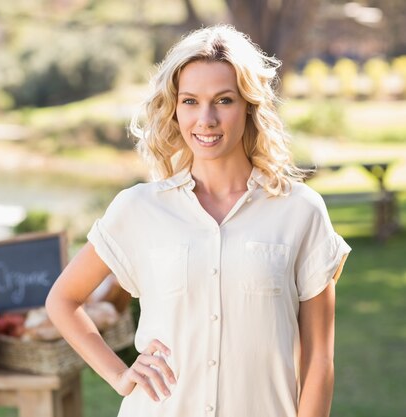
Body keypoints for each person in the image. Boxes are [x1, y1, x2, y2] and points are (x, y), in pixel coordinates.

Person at [46, 24, 351, 417]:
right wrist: (119, 376)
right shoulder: (138, 209)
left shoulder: (300, 212)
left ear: (250, 106)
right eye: (190, 101)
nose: (205, 119)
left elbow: (319, 362)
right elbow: (63, 300)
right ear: (174, 107)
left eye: (223, 100)